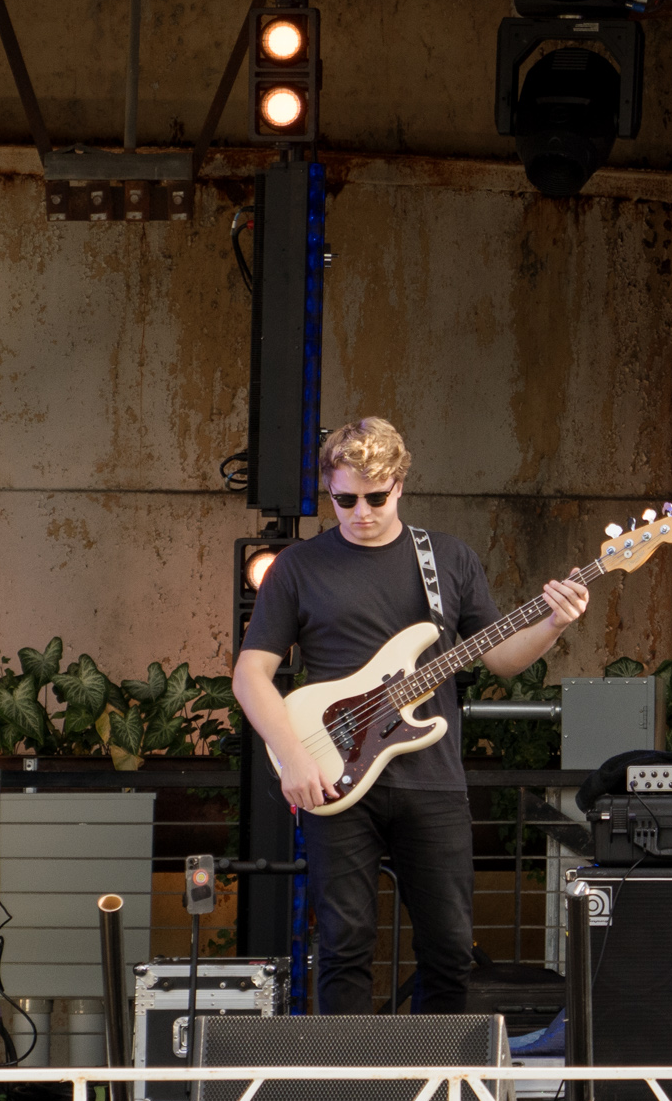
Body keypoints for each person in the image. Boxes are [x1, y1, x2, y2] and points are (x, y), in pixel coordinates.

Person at [232, 416, 589, 1015]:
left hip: (432, 778)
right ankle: (348, 1100)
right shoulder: (298, 568)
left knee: (449, 949)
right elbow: (250, 675)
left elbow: (500, 659)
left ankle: (432, 1097)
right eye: (344, 499)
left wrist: (553, 624)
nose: (361, 512)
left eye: (376, 497)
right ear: (329, 490)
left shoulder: (446, 558)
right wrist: (293, 757)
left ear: (400, 484)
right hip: (332, 773)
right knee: (345, 947)